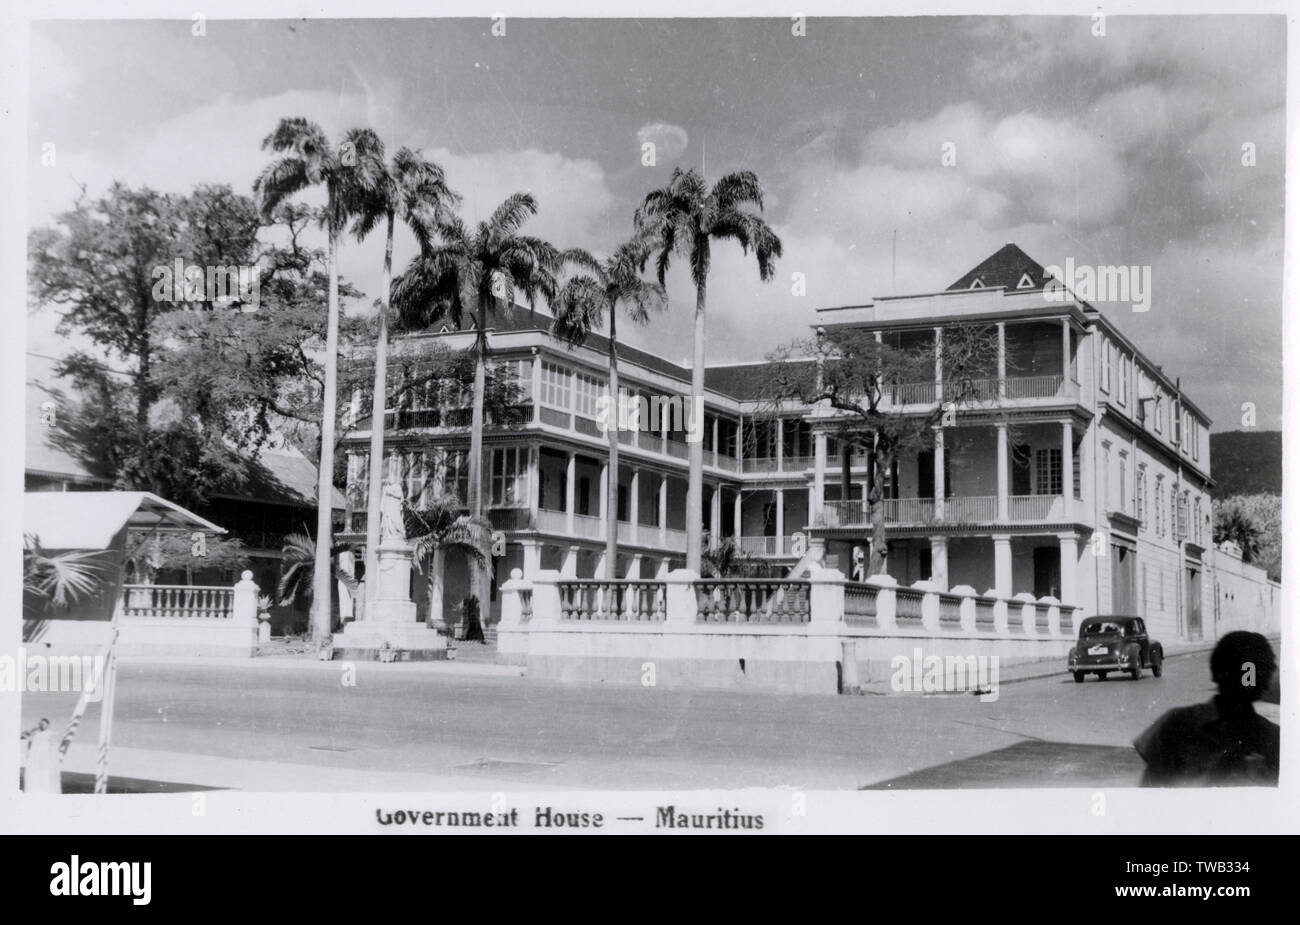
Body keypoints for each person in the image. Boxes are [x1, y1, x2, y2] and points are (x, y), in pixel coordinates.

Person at [1134, 631, 1279, 786]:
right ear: (1218, 672)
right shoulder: (1176, 725)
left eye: (1256, 672)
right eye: (1243, 671)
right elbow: (1149, 793)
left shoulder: (1273, 738)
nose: (1248, 681)